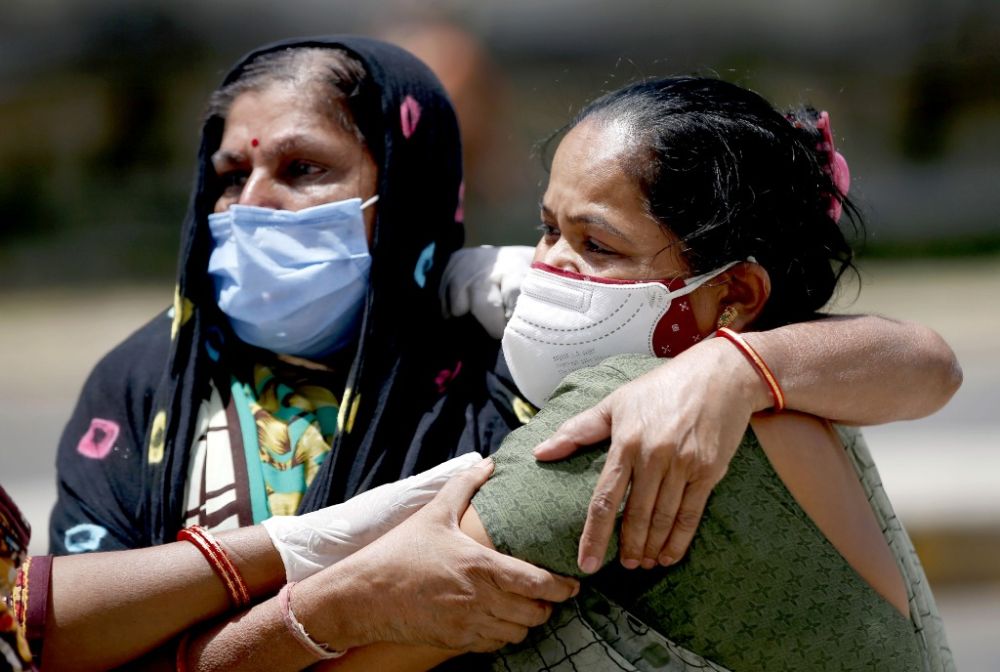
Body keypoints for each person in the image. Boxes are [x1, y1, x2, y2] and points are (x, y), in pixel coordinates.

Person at [43, 35, 957, 670]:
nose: (251, 206)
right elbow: (40, 623)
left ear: (406, 189)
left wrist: (731, 366)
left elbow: (925, 361)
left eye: (304, 169)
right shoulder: (146, 383)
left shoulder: (572, 408)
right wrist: (300, 553)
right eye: (227, 174)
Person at [311, 77, 956, 670]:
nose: (549, 269)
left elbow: (328, 660)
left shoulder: (630, 422)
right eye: (548, 230)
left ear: (735, 293)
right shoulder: (800, 389)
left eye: (596, 245)